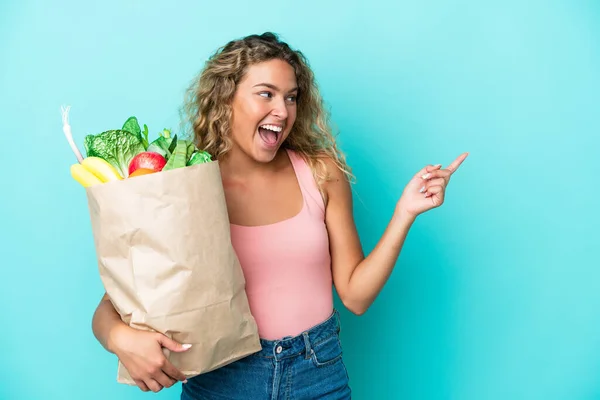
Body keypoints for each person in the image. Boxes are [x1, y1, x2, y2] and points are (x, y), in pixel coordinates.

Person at [91, 32, 468, 399]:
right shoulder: (186, 185)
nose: (282, 110)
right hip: (221, 379)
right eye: (265, 94)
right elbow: (112, 306)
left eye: (291, 97)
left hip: (317, 372)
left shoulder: (322, 174)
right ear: (226, 100)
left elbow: (355, 295)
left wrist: (405, 213)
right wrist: (120, 338)